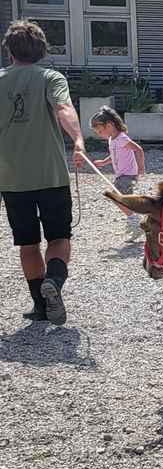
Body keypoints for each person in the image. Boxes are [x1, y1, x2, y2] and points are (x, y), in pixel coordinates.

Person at [0, 20, 86, 325]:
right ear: (42, 50)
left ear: (9, 50)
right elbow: (64, 108)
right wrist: (77, 140)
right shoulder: (51, 76)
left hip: (11, 179)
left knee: (27, 243)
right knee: (59, 237)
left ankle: (40, 305)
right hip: (50, 175)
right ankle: (55, 282)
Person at [89, 106, 146, 239]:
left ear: (109, 125)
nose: (99, 134)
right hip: (121, 175)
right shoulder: (112, 139)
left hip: (128, 175)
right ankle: (135, 222)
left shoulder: (121, 138)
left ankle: (135, 222)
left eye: (100, 131)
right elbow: (115, 155)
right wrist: (104, 162)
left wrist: (141, 167)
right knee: (122, 199)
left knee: (117, 198)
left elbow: (139, 150)